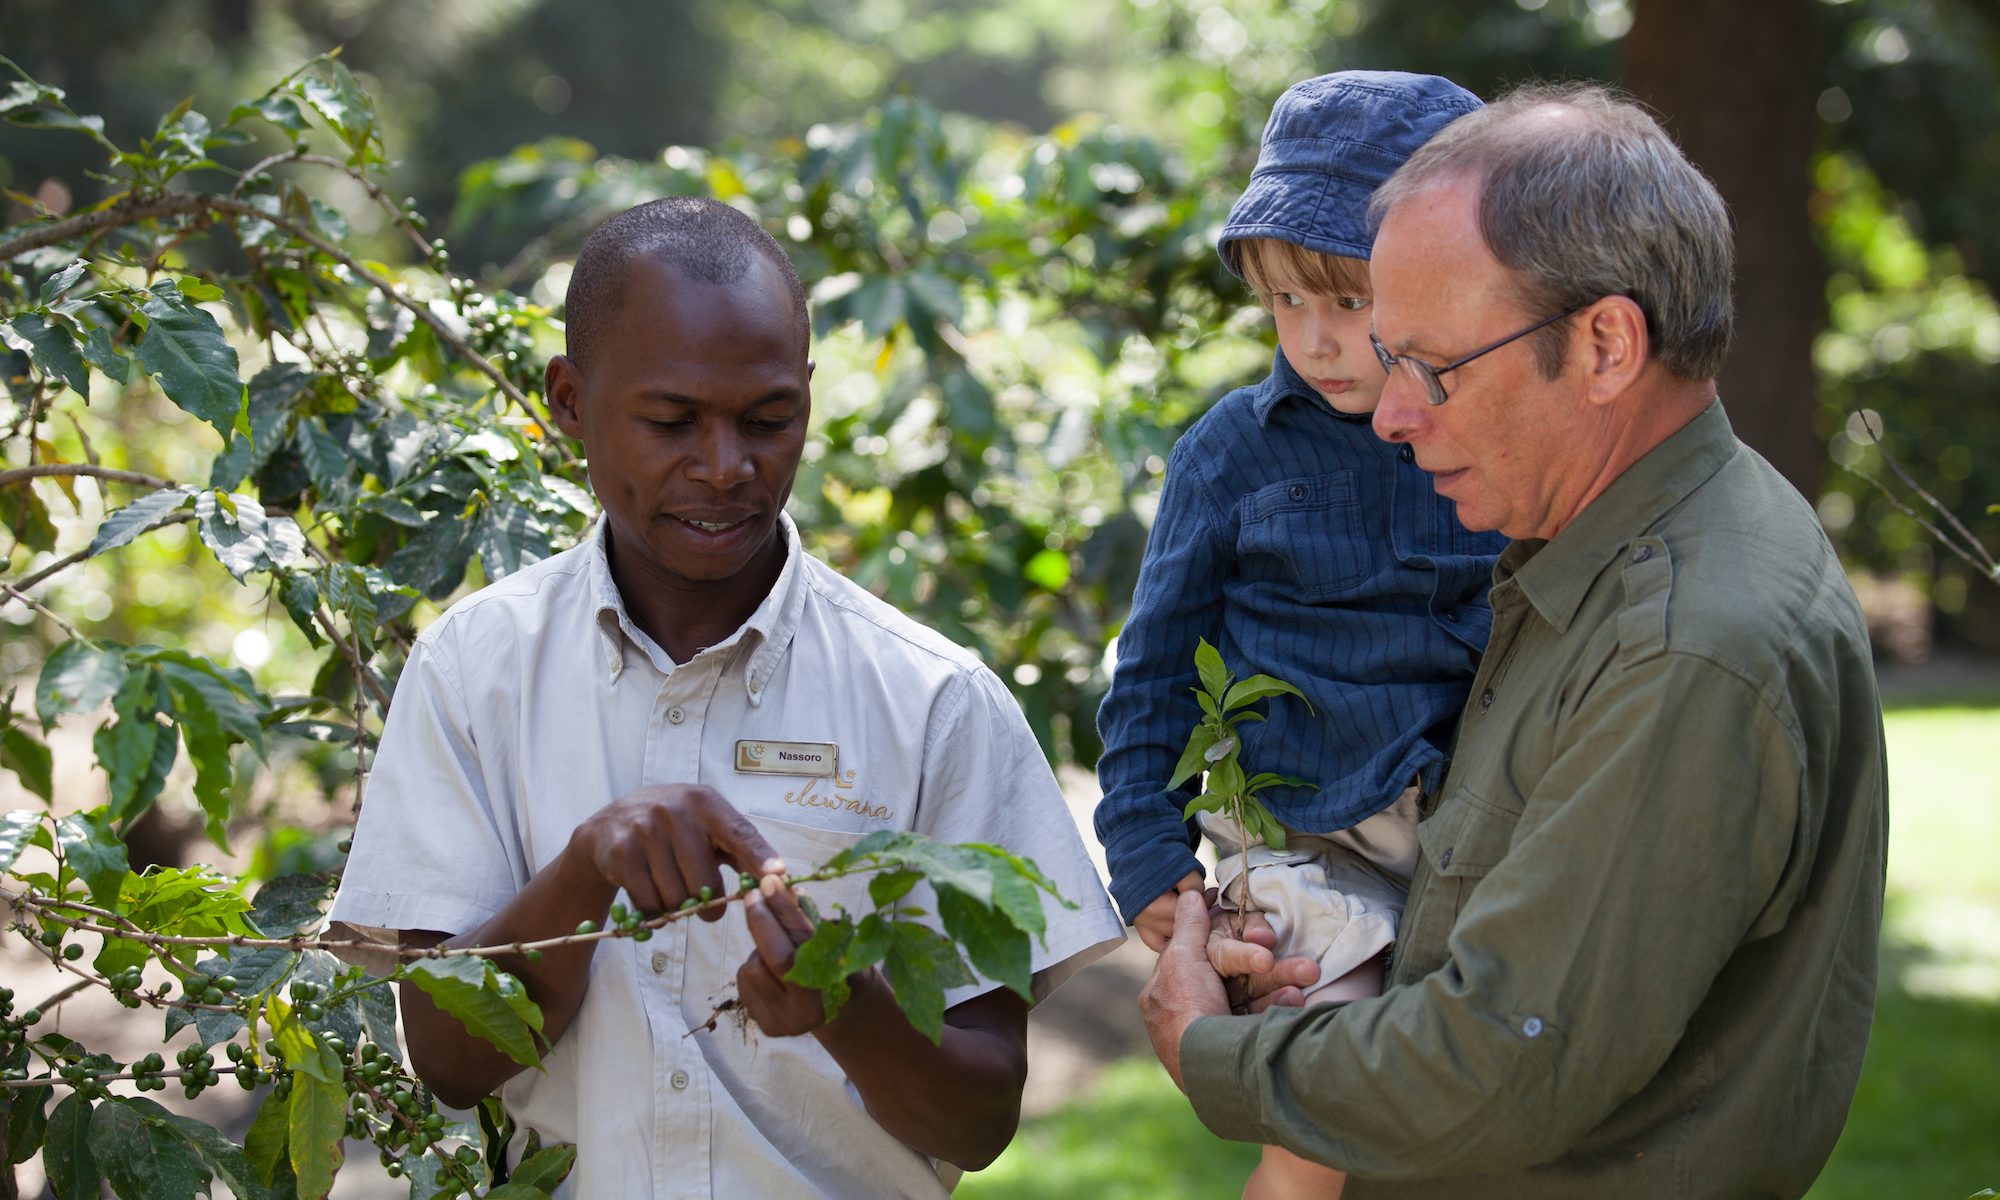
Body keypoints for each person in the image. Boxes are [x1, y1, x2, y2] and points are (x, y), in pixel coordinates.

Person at [1139, 82, 1889, 1199]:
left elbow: (1491, 1067)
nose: (1388, 417)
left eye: (1428, 366)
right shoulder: (1592, 545)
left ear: (1602, 345)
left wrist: (1210, 1048)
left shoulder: (1683, 647)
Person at [329, 196, 1124, 1200]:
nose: (724, 467)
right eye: (670, 422)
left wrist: (846, 1008)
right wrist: (582, 872)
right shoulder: (473, 672)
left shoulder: (934, 702)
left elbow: (979, 1118)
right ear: (569, 402)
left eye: (767, 420)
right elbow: (447, 1061)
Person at [1094, 70, 1503, 1199]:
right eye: (1283, 304)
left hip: (1476, 828)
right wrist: (1145, 858)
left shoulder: (1490, 436)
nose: (1314, 340)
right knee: (1316, 1098)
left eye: (1347, 301)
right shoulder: (1231, 453)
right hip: (1307, 831)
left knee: (1481, 1098)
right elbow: (1153, 673)